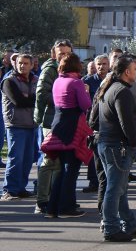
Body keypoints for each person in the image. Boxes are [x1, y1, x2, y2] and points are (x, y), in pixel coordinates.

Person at [95, 55, 136, 242]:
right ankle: (111, 227)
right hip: (117, 146)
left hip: (108, 143)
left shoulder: (109, 86)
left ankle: (130, 224)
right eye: (135, 68)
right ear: (127, 71)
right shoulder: (121, 91)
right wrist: (134, 143)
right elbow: (126, 122)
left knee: (120, 188)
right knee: (114, 188)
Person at [40, 53, 92, 218]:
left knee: (62, 170)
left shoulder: (57, 81)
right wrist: (86, 92)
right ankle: (66, 208)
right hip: (73, 126)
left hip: (58, 125)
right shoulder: (77, 83)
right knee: (71, 169)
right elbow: (86, 105)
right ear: (77, 66)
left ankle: (52, 208)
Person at [34, 39, 74, 215]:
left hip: (62, 120)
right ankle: (42, 201)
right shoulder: (49, 70)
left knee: (58, 163)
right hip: (50, 121)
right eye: (61, 54)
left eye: (67, 53)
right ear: (54, 55)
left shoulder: (69, 70)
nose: (64, 56)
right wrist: (64, 99)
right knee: (49, 161)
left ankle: (54, 198)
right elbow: (42, 94)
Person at [1, 53, 37, 200]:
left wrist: (30, 99)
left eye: (26, 63)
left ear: (32, 65)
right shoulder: (9, 81)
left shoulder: (35, 80)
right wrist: (32, 99)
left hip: (31, 124)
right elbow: (19, 101)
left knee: (28, 159)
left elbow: (39, 98)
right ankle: (10, 190)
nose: (22, 65)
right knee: (16, 158)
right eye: (20, 63)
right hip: (15, 124)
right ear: (15, 64)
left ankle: (21, 188)